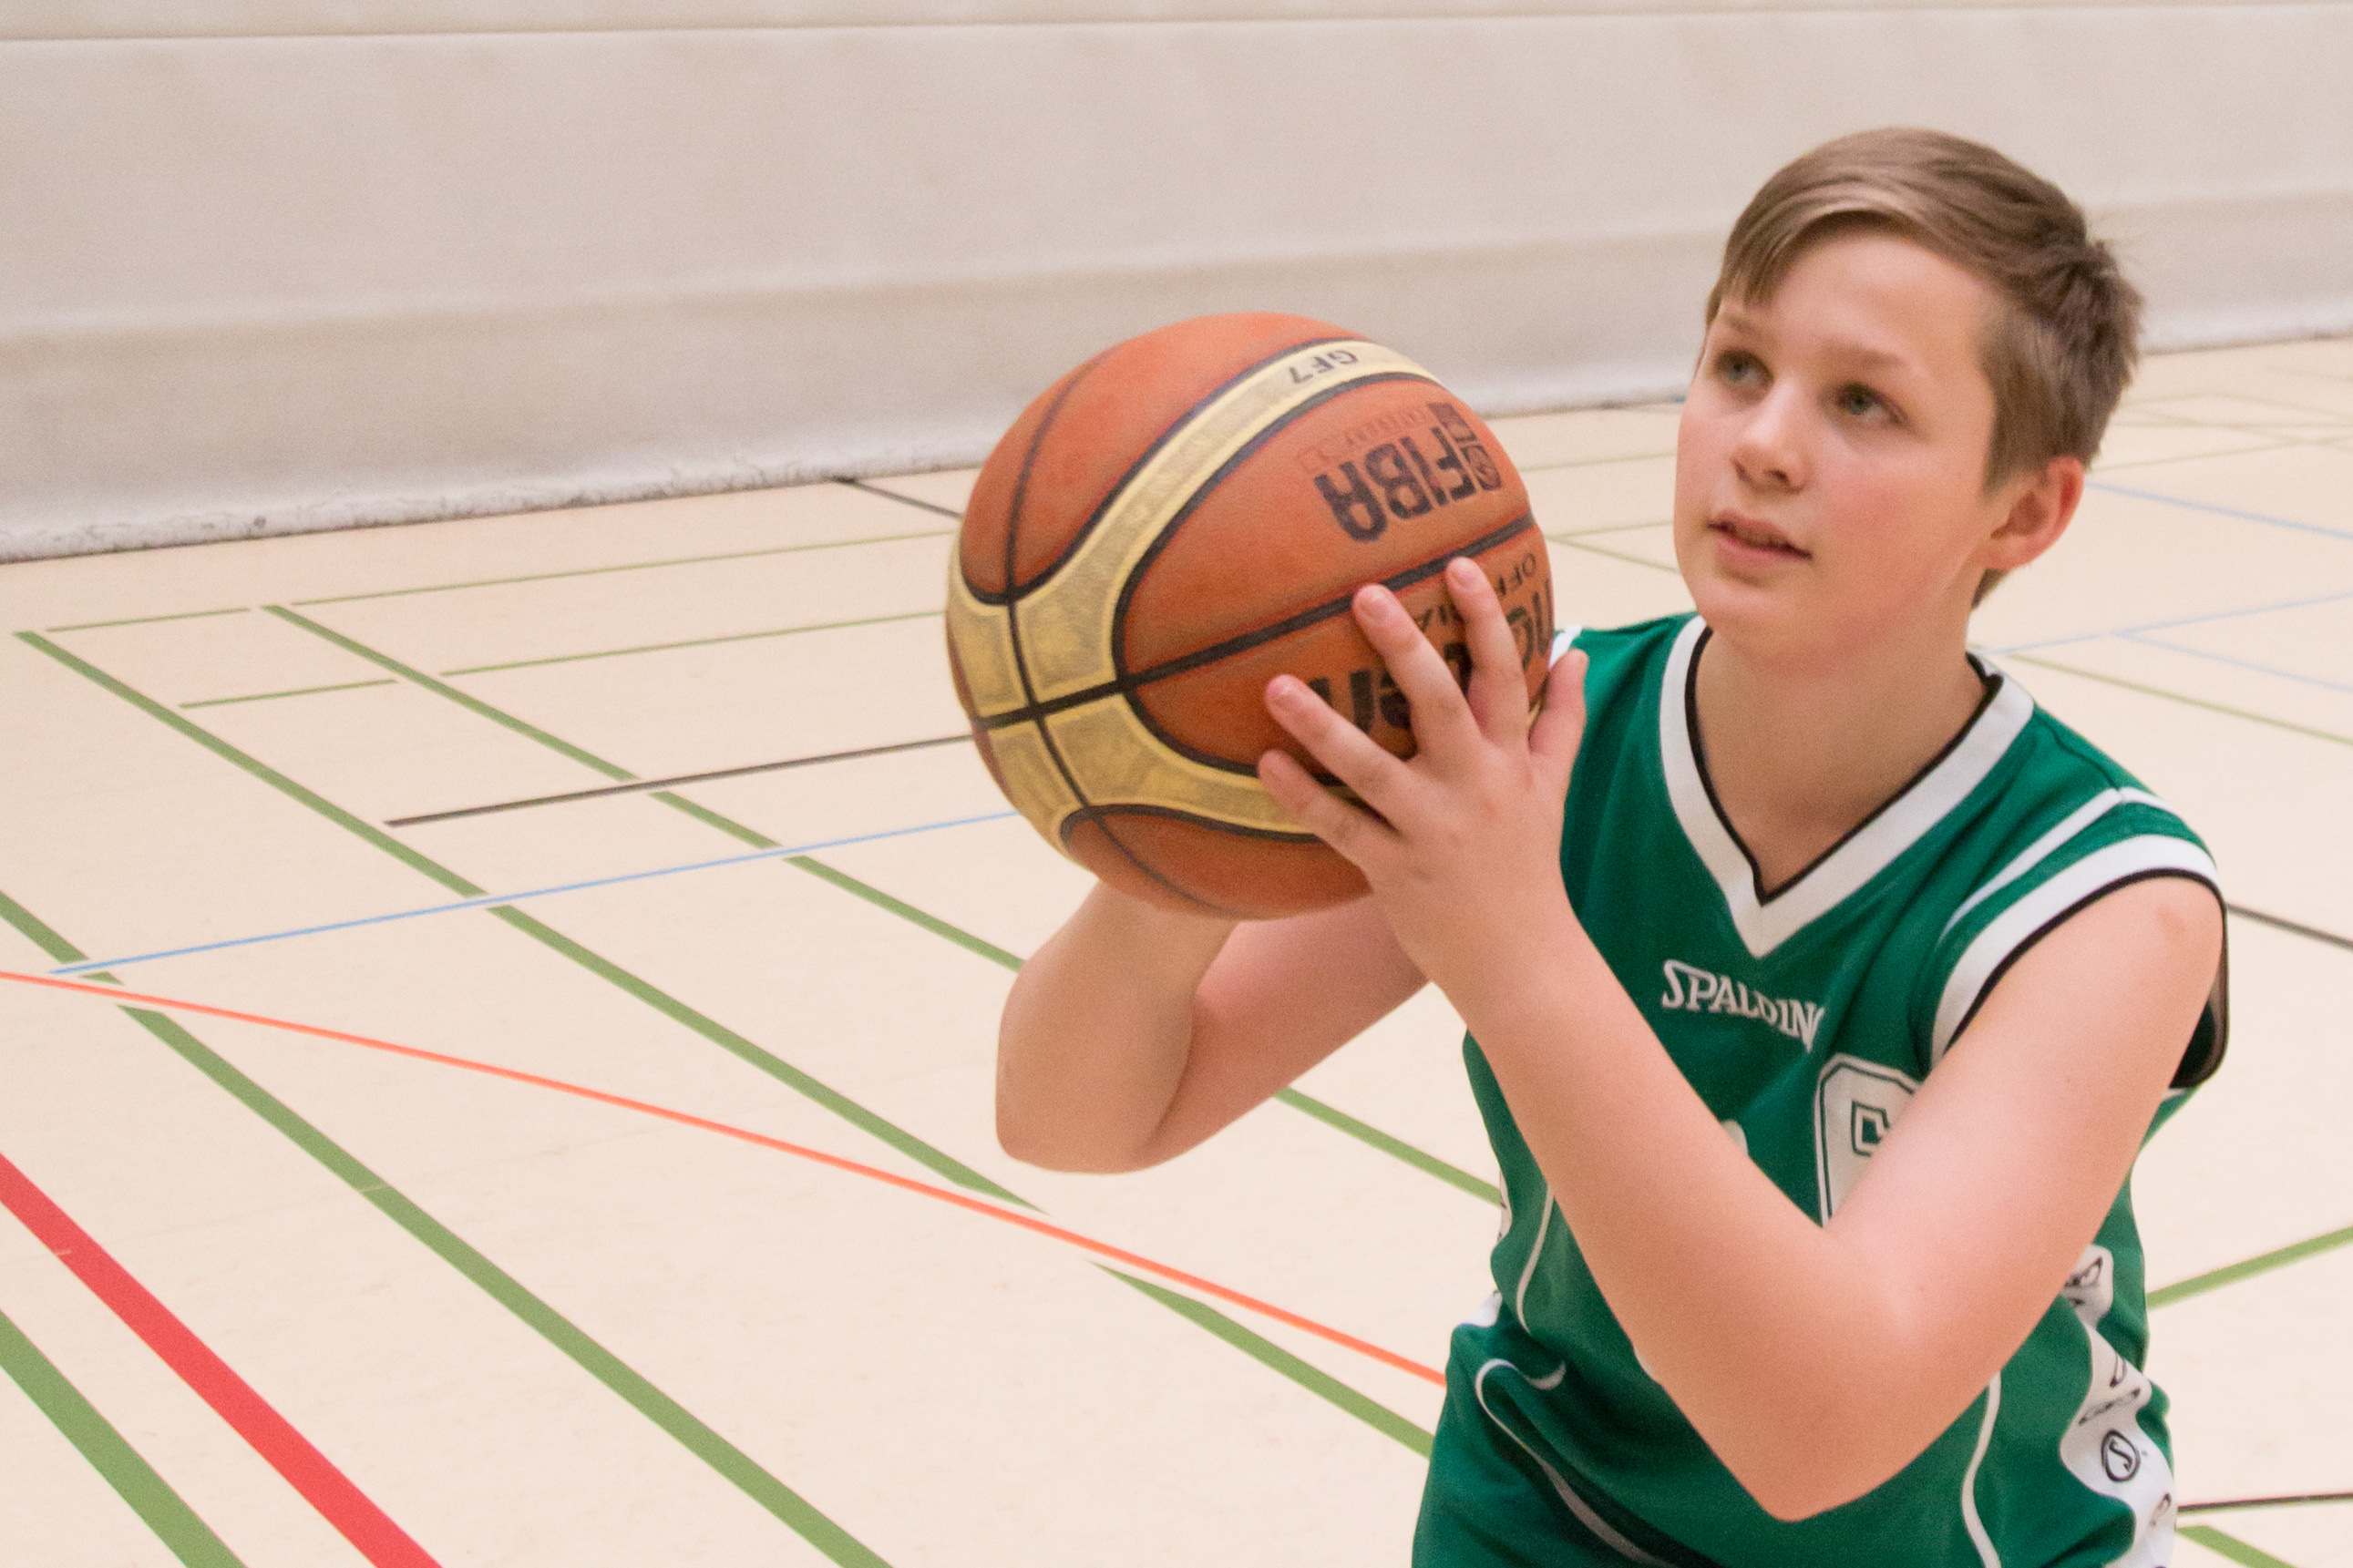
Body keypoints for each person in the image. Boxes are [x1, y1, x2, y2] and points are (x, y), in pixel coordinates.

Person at [994, 128, 2226, 1567]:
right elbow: (1078, 1120)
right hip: (1548, 1509)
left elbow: (1818, 1436)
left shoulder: (2104, 902)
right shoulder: (1530, 735)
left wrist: (1512, 947)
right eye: (1738, 365)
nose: (1761, 442)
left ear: (2022, 509)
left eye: (1863, 402)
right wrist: (1194, 817)